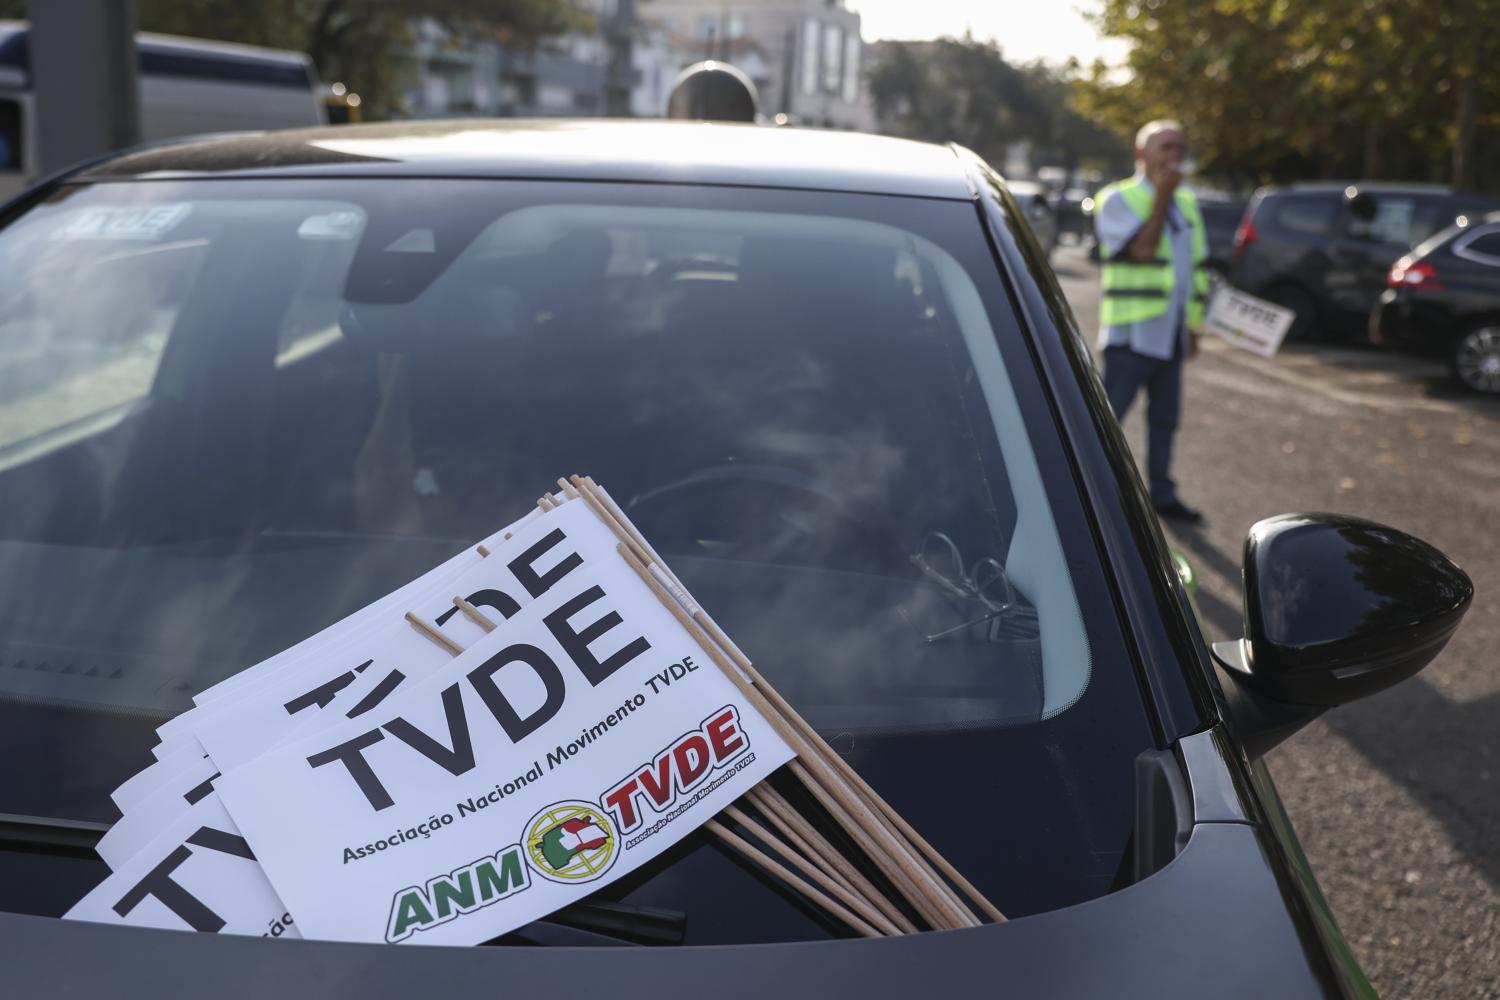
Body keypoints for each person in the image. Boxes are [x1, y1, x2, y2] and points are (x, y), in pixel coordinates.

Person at [1093, 120, 1210, 524]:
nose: (1175, 156)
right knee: (1107, 422)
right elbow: (1141, 252)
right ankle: (1091, 491)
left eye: (1180, 147)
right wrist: (1161, 197)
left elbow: (1195, 269)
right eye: (1165, 147)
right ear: (1141, 155)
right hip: (1132, 333)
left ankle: (1162, 494)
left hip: (1172, 334)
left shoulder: (1189, 203)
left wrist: (1193, 326)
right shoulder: (1117, 198)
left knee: (1165, 421)